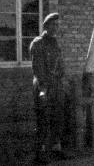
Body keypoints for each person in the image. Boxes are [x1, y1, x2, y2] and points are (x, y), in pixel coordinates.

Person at [30, 13, 67, 163]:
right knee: (43, 120)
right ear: (46, 26)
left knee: (57, 119)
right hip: (43, 86)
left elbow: (61, 65)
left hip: (56, 86)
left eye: (57, 25)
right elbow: (38, 69)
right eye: (53, 25)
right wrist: (43, 89)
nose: (56, 28)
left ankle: (55, 150)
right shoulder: (38, 43)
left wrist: (61, 79)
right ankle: (40, 154)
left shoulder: (55, 43)